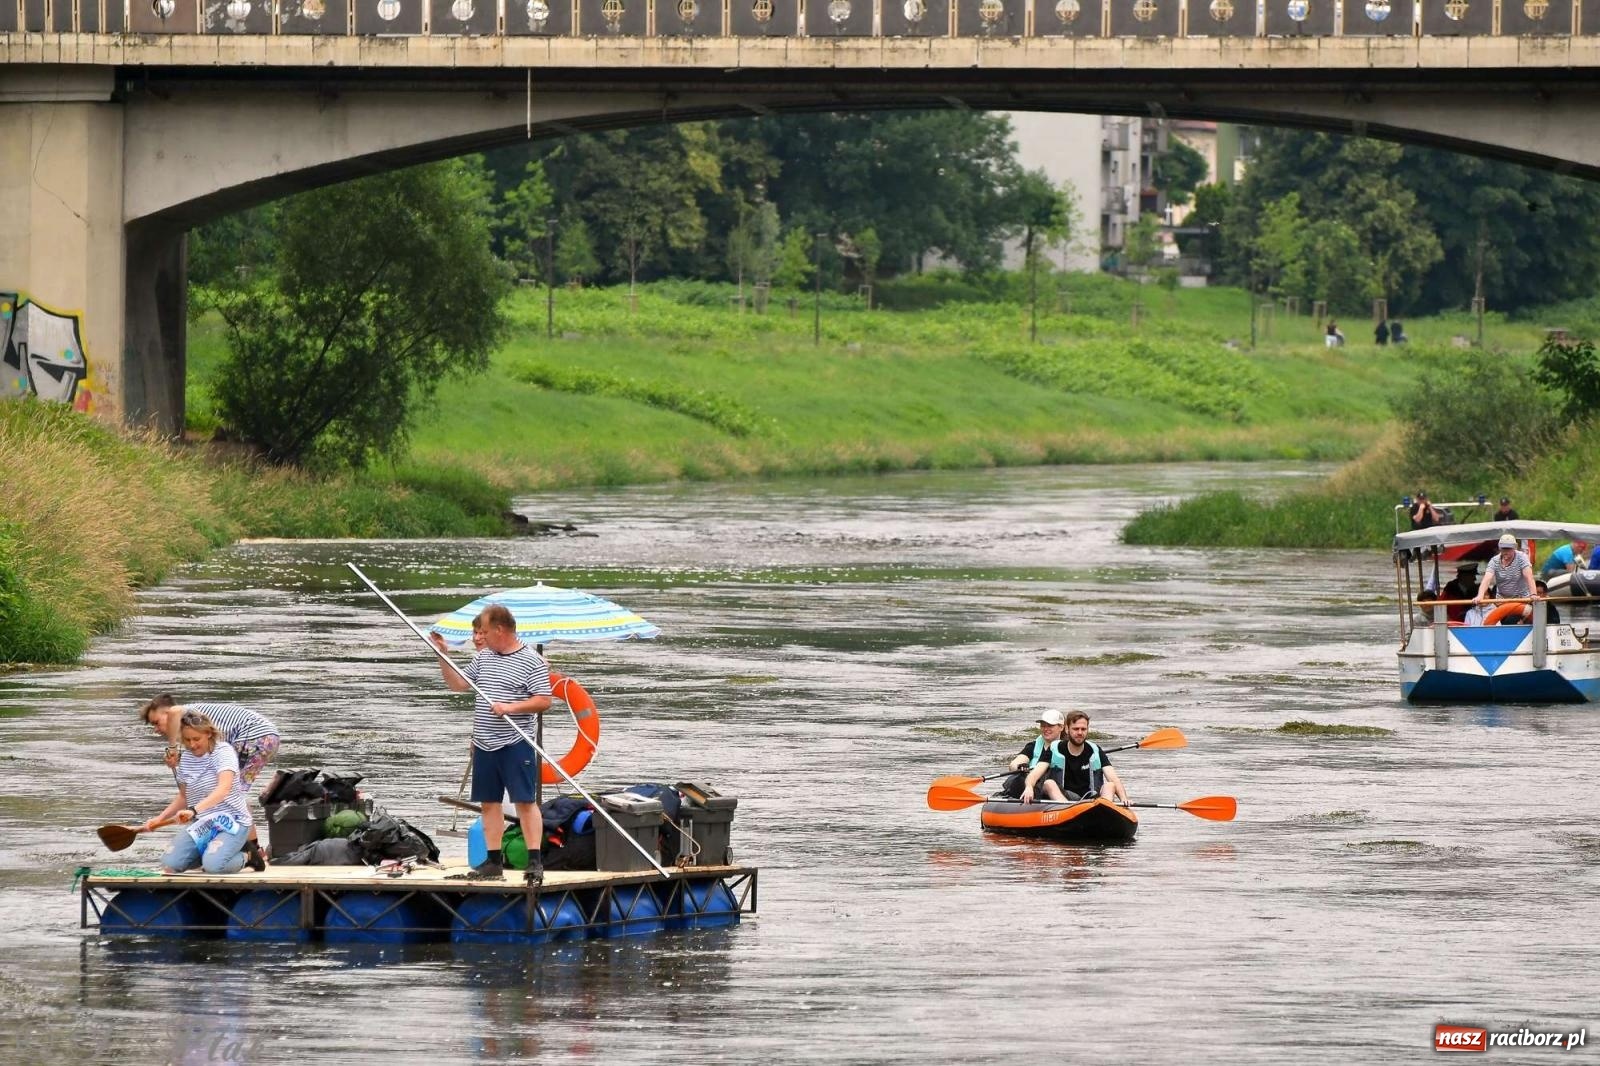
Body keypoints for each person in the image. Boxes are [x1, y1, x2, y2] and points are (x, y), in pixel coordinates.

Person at [431, 604, 553, 884]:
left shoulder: (531, 661)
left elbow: (543, 700)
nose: (480, 637)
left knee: (524, 801)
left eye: (484, 631)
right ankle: (493, 861)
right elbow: (459, 686)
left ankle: (534, 861)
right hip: (485, 742)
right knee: (489, 803)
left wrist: (511, 707)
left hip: (515, 741)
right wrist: (442, 656)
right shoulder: (484, 658)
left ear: (500, 629)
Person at [142, 694, 278, 871]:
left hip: (257, 736)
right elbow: (184, 796)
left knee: (235, 791)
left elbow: (224, 789)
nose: (192, 745)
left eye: (156, 722)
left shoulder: (184, 715)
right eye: (188, 740)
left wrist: (172, 748)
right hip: (206, 821)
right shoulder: (188, 755)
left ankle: (250, 852)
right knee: (170, 865)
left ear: (207, 734)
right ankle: (217, 852)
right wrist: (159, 819)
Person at [1020, 710, 1129, 807]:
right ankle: (1067, 811)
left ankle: (1105, 812)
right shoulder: (1054, 749)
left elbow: (1113, 778)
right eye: (1076, 729)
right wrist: (1029, 787)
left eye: (1083, 729)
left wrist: (1124, 799)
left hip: (1091, 800)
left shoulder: (1095, 749)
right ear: (1067, 729)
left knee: (1110, 785)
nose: (1080, 733)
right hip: (1064, 799)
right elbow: (1034, 774)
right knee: (1048, 784)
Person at [1000, 709, 1067, 799]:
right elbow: (1013, 764)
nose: (1046, 729)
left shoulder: (1065, 747)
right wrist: (1020, 767)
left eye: (1050, 725)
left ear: (1061, 727)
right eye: (1043, 725)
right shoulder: (1033, 745)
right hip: (1031, 783)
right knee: (1017, 779)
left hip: (1050, 787)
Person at [1476, 532, 1537, 622]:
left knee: (1510, 621)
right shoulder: (1494, 561)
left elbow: (1529, 577)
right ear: (1500, 548)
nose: (1506, 551)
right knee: (1503, 621)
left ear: (1515, 547)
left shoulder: (1522, 558)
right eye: (1503, 548)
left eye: (1509, 548)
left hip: (1521, 600)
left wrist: (1534, 594)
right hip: (1502, 601)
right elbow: (1487, 579)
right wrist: (1480, 596)